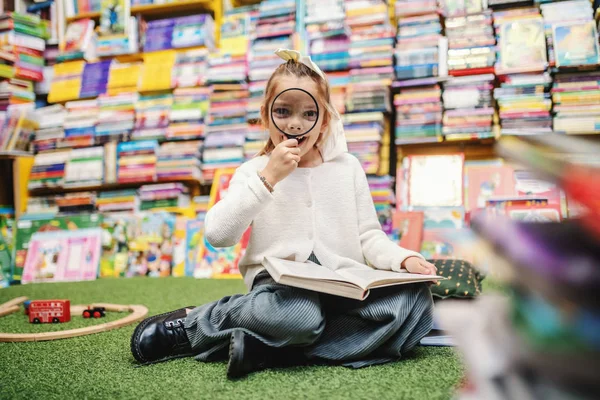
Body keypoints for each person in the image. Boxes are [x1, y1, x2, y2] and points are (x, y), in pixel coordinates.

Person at [130, 49, 437, 379]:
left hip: (344, 283)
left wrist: (403, 260)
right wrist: (268, 179)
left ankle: (267, 350)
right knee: (300, 316)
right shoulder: (254, 171)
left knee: (415, 303)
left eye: (309, 114)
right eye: (283, 111)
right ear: (265, 116)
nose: (295, 123)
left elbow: (369, 237)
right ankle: (196, 323)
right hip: (281, 288)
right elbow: (218, 235)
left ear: (325, 123)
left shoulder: (347, 168)